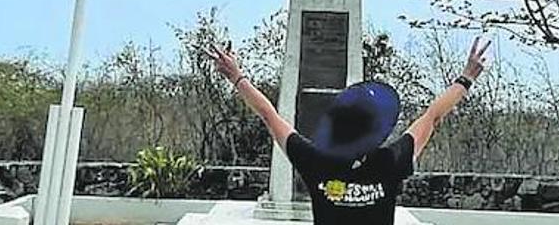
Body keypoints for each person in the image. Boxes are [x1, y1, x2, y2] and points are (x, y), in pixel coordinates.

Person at [207, 37, 491, 225]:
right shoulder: (389, 161)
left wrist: (236, 76)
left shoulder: (315, 161)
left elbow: (270, 117)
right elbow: (432, 117)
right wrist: (465, 79)